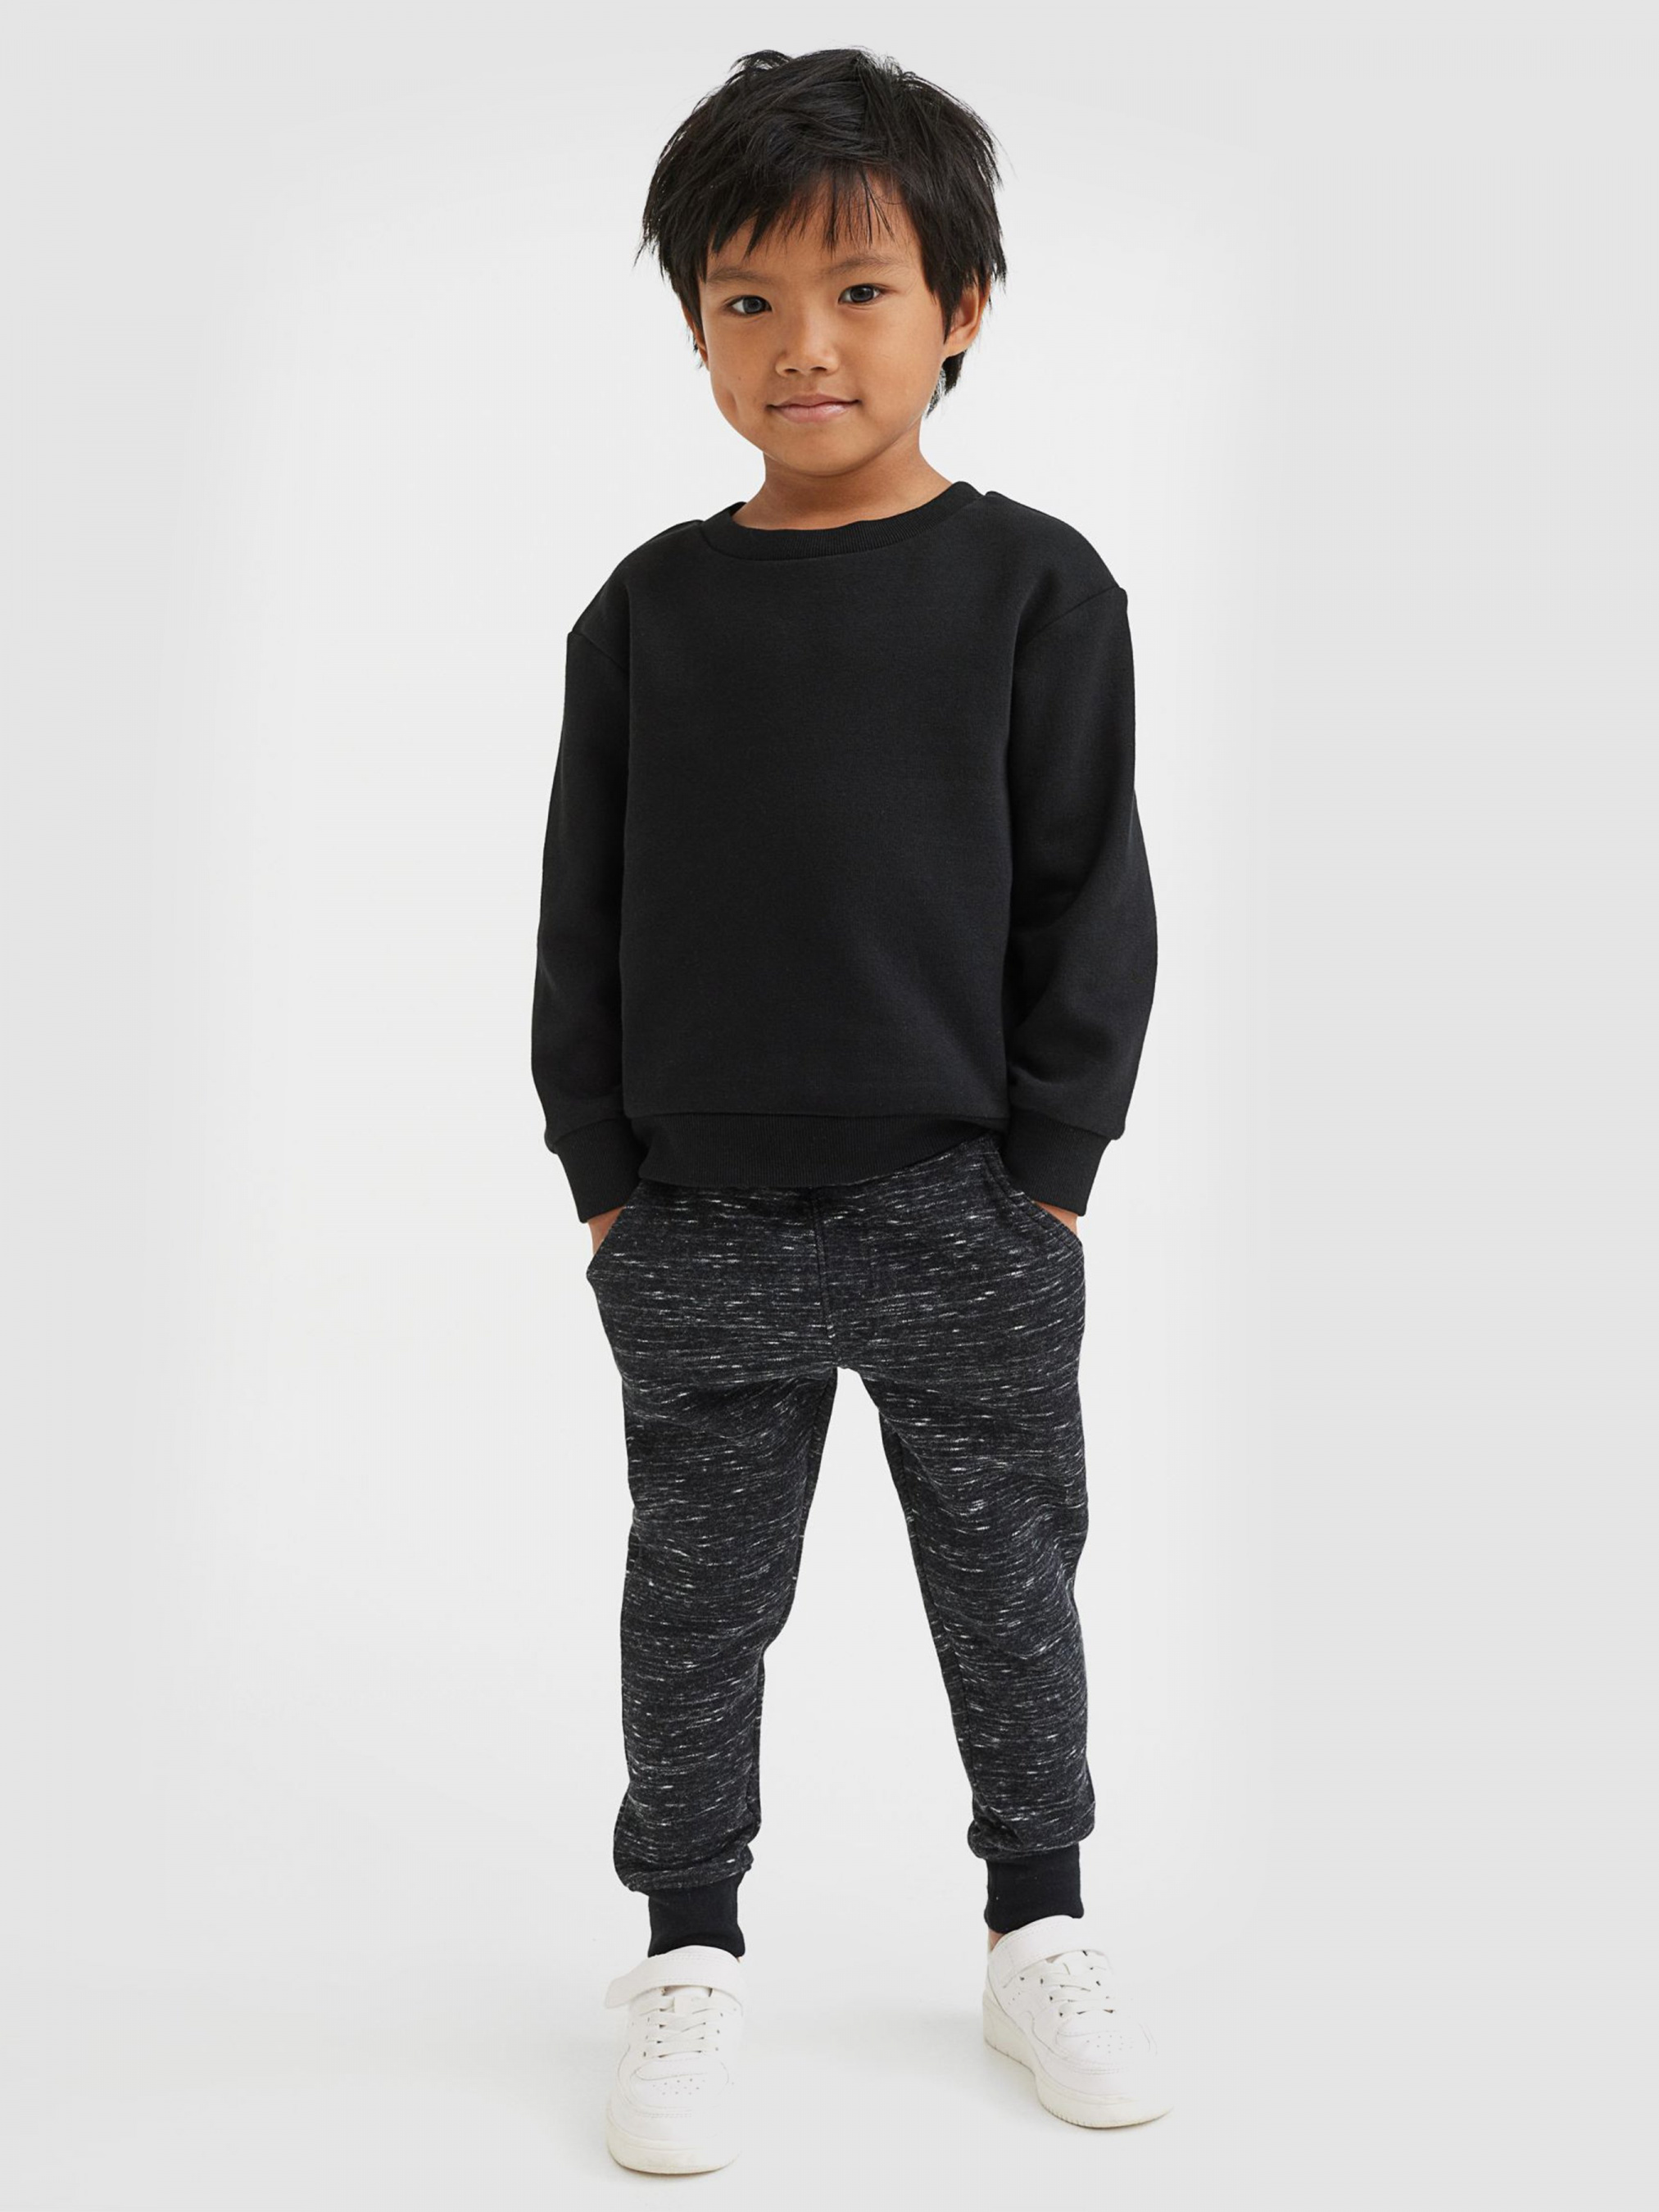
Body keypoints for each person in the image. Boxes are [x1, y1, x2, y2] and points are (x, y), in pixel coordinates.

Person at [531, 45, 1172, 2174]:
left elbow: (1090, 894)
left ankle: (1037, 1922)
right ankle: (687, 1949)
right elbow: (581, 915)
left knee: (1008, 1584)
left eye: (860, 291)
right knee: (694, 1604)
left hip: (960, 1204)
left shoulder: (1037, 590)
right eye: (747, 300)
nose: (802, 343)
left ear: (960, 308)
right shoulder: (647, 611)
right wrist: (607, 1181)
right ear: (697, 328)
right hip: (698, 1215)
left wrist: (1048, 1179)